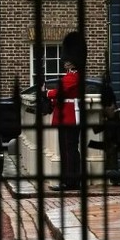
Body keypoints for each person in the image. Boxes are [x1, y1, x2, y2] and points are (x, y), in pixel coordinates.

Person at [45, 31, 87, 191]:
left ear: (73, 61)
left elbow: (61, 91)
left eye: (67, 60)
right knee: (66, 149)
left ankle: (71, 181)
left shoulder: (74, 76)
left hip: (70, 116)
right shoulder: (71, 75)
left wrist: (47, 93)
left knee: (69, 149)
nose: (65, 62)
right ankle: (69, 179)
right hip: (65, 115)